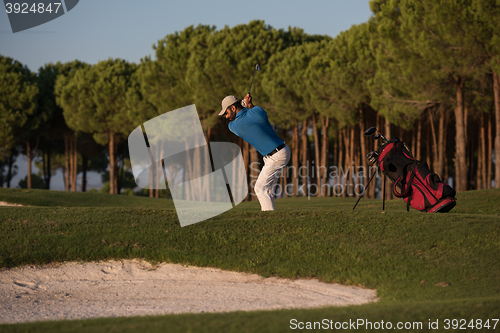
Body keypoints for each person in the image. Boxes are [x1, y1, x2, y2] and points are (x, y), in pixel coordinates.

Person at [218, 93, 290, 211]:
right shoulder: (258, 111)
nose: (226, 116)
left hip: (276, 156)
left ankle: (269, 219)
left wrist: (244, 105)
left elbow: (241, 118)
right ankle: (271, 214)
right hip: (281, 151)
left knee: (260, 188)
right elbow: (254, 114)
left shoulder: (234, 126)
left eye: (226, 112)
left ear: (233, 108)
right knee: (268, 189)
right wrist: (249, 105)